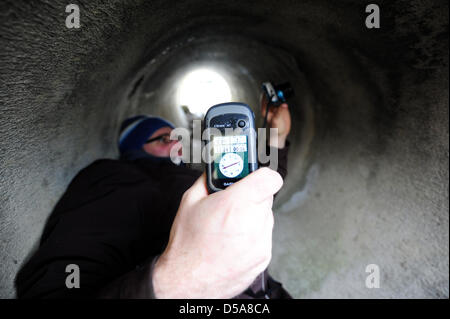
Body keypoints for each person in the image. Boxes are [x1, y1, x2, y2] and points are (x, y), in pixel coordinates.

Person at [15, 98, 292, 299]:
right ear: (136, 148)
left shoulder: (199, 174)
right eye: (162, 139)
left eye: (177, 137)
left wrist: (277, 138)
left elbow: (255, 192)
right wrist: (176, 284)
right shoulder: (110, 176)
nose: (176, 143)